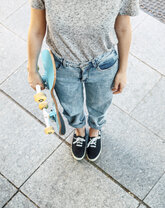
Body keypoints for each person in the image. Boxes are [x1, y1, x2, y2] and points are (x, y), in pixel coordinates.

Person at [27, 0, 139, 161]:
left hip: (103, 65)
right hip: (62, 66)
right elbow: (37, 28)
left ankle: (95, 130)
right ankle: (79, 131)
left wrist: (123, 70)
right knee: (70, 108)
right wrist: (32, 69)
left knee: (99, 106)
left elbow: (123, 28)